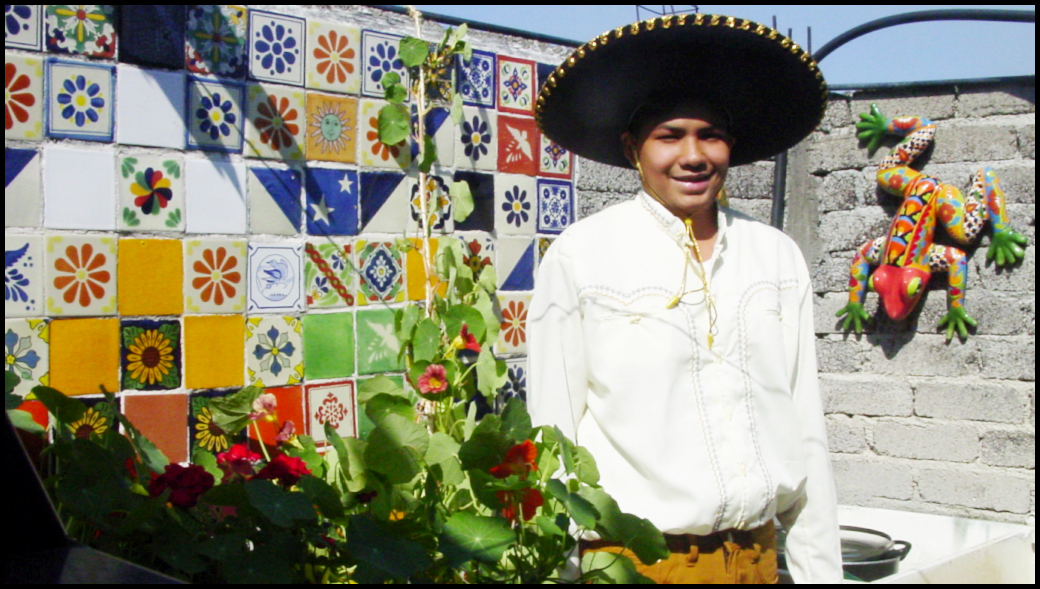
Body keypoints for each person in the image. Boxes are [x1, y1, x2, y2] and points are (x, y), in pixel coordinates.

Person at [529, 13, 843, 584]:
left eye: (711, 135)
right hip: (636, 564)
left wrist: (821, 573)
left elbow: (805, 429)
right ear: (633, 148)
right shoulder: (583, 257)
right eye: (670, 136)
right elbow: (553, 436)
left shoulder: (774, 258)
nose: (694, 156)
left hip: (754, 560)